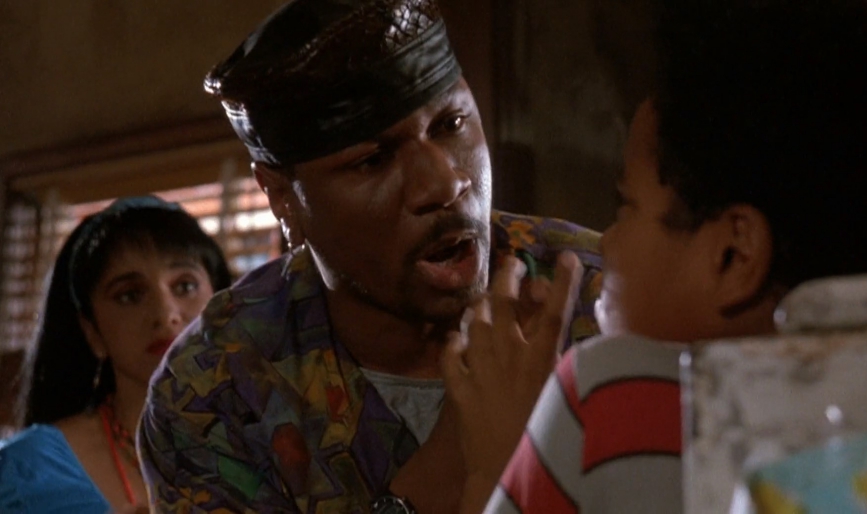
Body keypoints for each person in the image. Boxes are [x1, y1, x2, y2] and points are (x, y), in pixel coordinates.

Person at [443, 0, 867, 512]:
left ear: (734, 255)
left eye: (627, 207)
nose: (608, 242)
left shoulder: (608, 400)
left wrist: (501, 463)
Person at [136, 0, 603, 512]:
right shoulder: (217, 391)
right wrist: (456, 462)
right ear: (282, 197)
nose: (444, 184)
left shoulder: (600, 296)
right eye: (373, 160)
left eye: (450, 125)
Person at [0, 196, 231, 513]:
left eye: (185, 286)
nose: (165, 315)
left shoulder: (273, 441)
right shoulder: (27, 471)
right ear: (92, 332)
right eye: (130, 295)